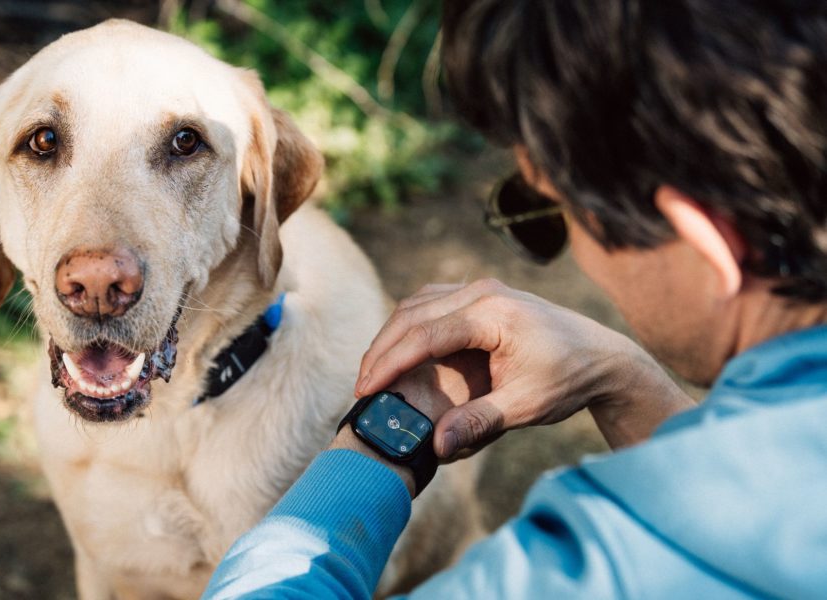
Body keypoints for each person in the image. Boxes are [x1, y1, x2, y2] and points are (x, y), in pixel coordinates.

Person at [203, 0, 827, 597]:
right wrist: (625, 379)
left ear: (704, 245)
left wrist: (380, 440)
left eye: (553, 210)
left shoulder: (621, 560)